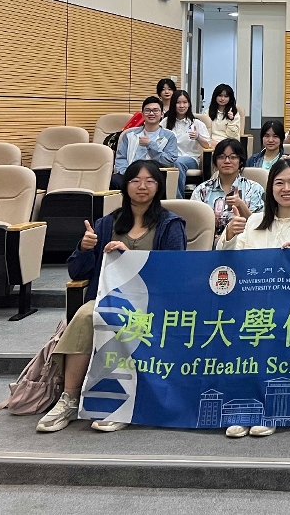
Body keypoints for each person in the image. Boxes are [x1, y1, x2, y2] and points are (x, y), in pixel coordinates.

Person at [36, 160, 186, 434]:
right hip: (108, 300)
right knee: (85, 313)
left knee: (119, 319)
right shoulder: (106, 224)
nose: (142, 186)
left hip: (153, 304)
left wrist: (130, 257)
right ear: (125, 186)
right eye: (135, 180)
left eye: (150, 181)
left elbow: (175, 271)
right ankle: (70, 398)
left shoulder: (170, 224)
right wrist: (84, 248)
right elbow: (78, 271)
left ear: (159, 186)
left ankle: (123, 403)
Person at [220, 155, 290, 440]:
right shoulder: (254, 221)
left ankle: (272, 410)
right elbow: (230, 265)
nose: (286, 188)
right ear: (270, 188)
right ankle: (244, 409)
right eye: (279, 183)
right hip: (253, 304)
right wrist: (229, 235)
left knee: (279, 325)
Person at [190, 139, 264, 245]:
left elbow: (259, 226)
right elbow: (195, 225)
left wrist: (241, 205)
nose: (227, 161)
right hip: (211, 246)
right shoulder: (202, 190)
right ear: (215, 161)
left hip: (244, 245)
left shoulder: (254, 189)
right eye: (221, 157)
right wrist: (220, 239)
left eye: (233, 157)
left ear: (241, 161)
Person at [112, 96, 178, 189]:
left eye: (155, 110)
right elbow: (121, 158)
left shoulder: (169, 136)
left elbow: (169, 161)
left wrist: (150, 145)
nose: (151, 113)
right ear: (142, 114)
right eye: (147, 110)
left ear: (162, 114)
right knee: (114, 180)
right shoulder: (129, 134)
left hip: (155, 176)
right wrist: (127, 174)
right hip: (130, 174)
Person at [165, 89, 211, 198]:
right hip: (169, 159)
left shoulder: (197, 123)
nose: (182, 106)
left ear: (189, 104)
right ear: (173, 104)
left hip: (190, 159)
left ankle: (178, 201)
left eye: (185, 102)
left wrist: (198, 137)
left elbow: (208, 145)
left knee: (178, 162)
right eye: (178, 102)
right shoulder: (165, 122)